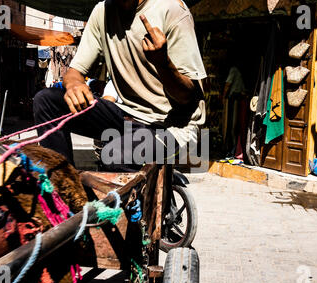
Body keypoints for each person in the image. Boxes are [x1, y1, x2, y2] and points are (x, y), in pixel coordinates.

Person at [33, 0, 207, 171]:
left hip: (173, 127)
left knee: (113, 156)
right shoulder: (102, 11)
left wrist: (163, 64)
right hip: (129, 115)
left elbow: (186, 97)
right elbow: (74, 72)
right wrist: (74, 85)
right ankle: (63, 191)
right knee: (46, 100)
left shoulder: (171, 9)